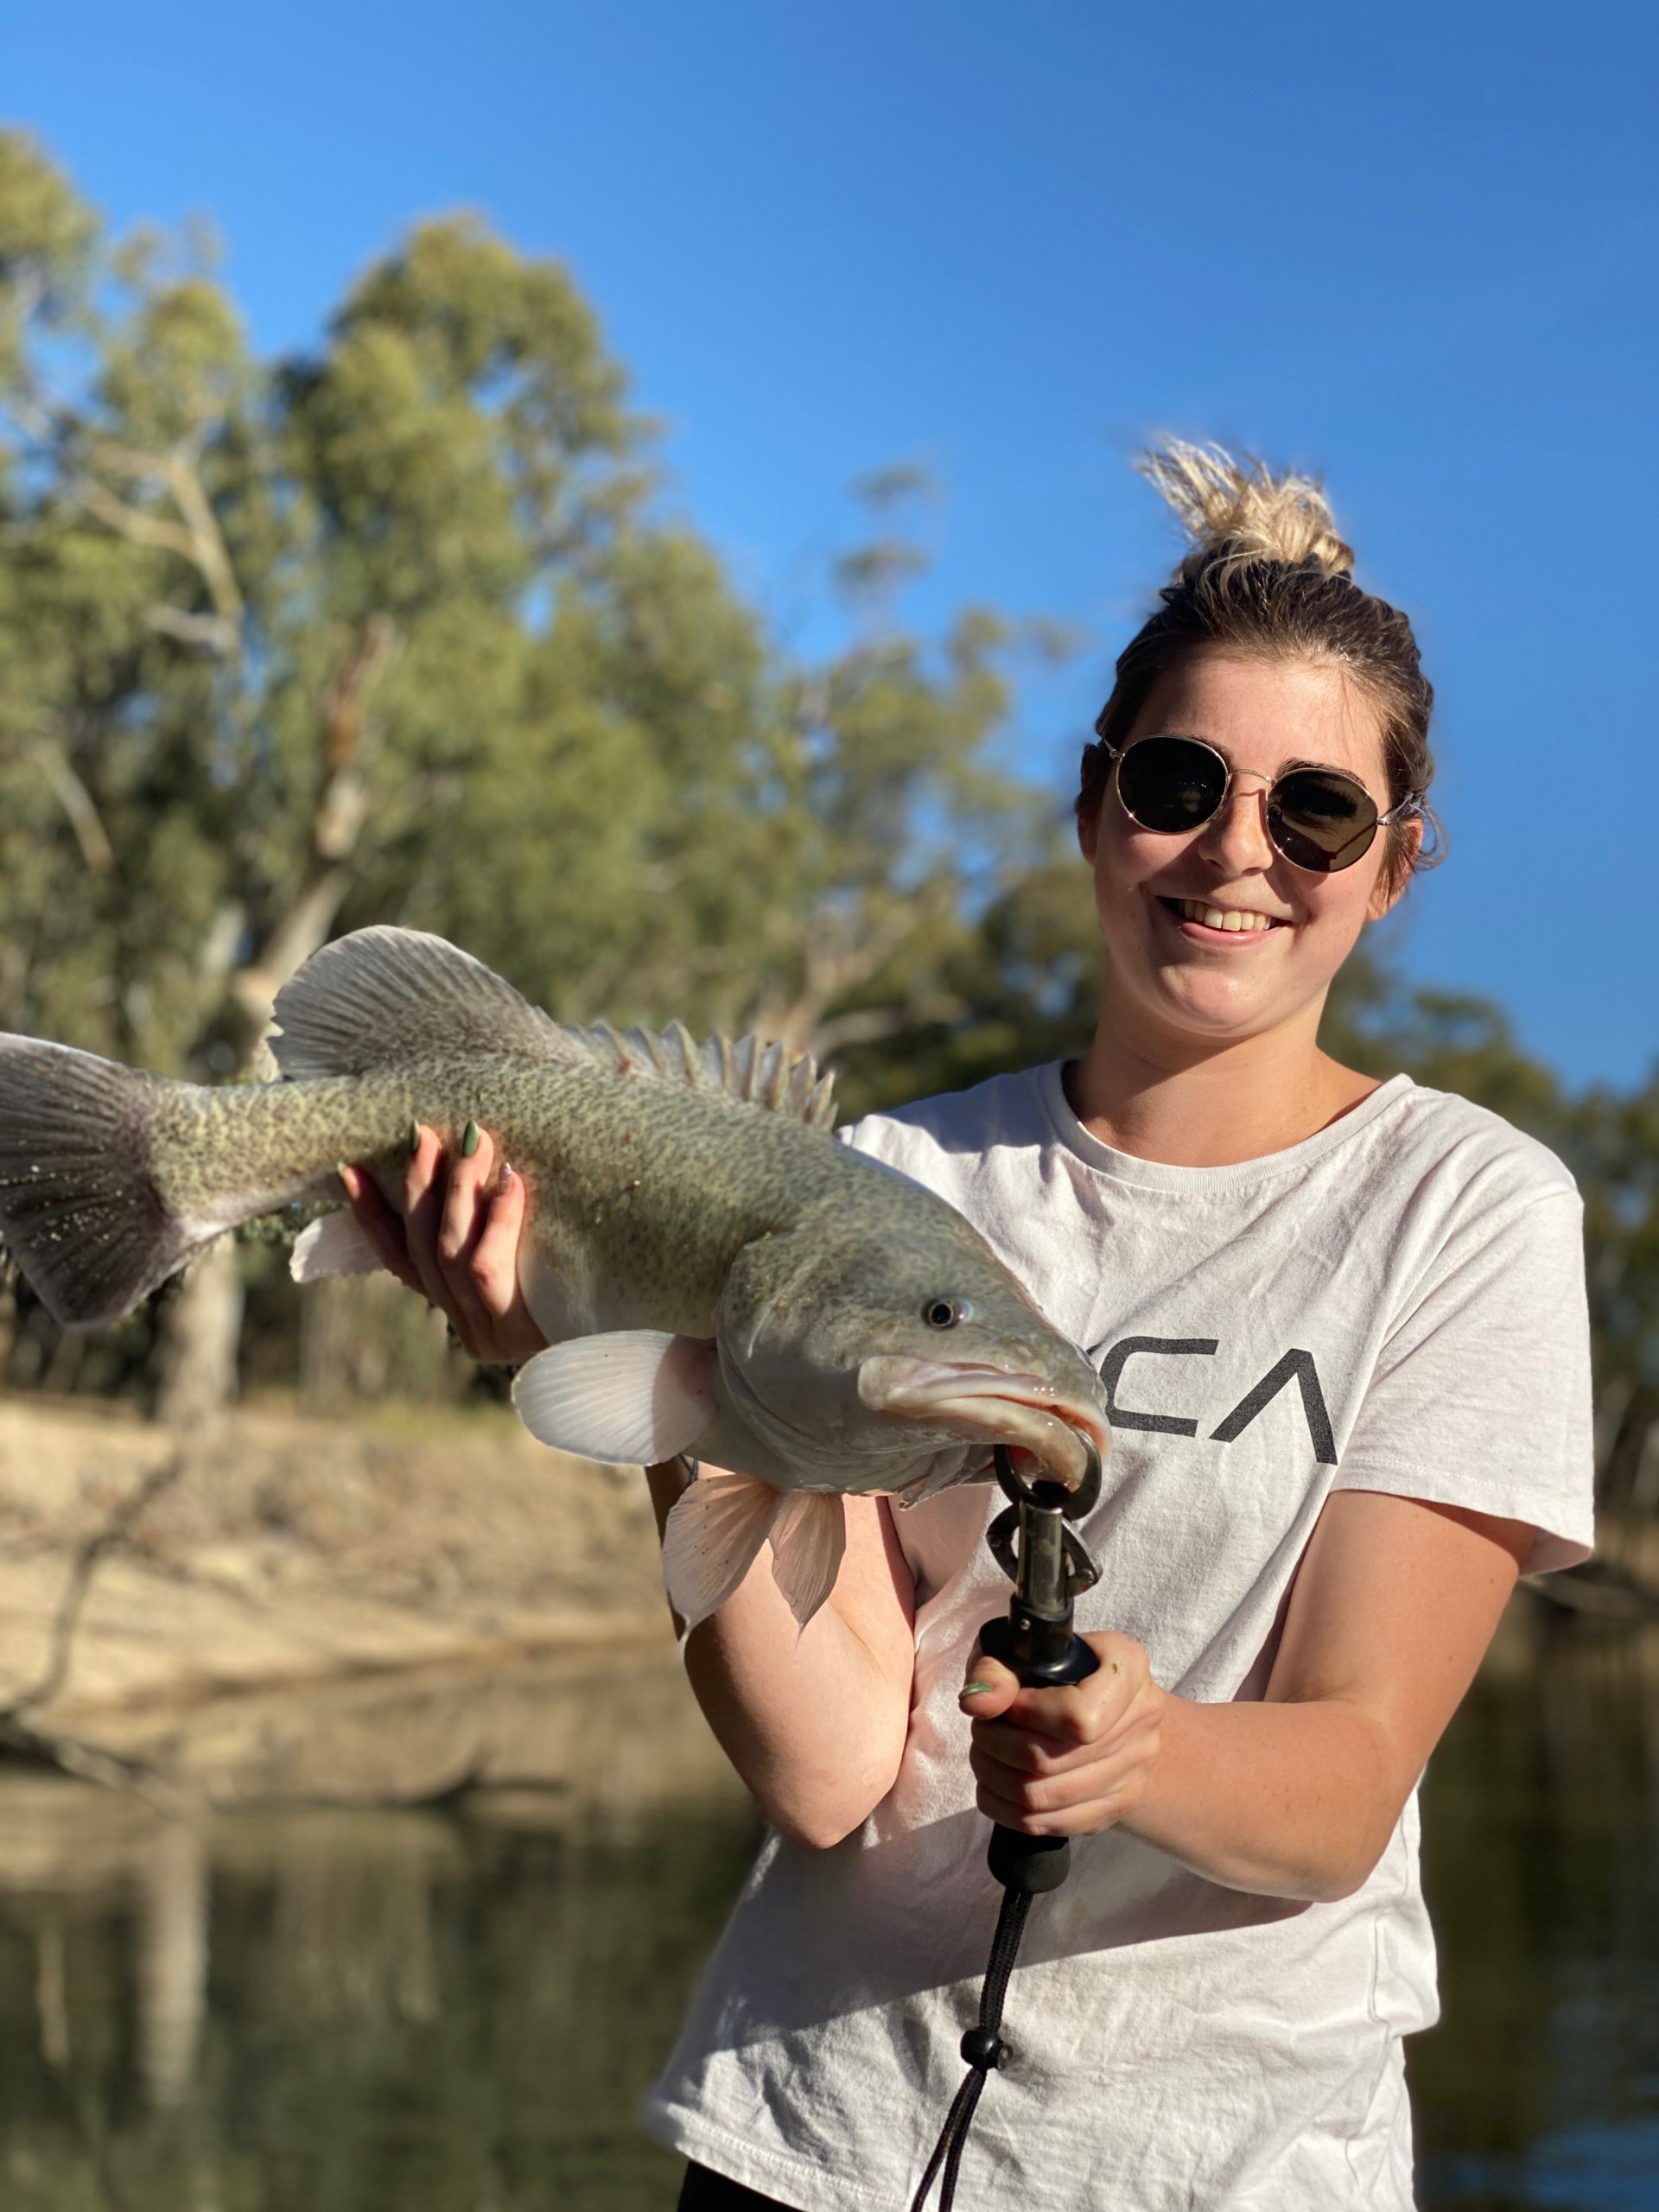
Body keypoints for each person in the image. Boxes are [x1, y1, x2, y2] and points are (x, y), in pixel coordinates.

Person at [343, 442, 1594, 2212]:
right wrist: (650, 1348)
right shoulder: (882, 1172)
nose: (1237, 850)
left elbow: (1344, 1781)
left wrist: (1140, 1751)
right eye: (1179, 782)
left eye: (1317, 809)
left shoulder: (1465, 1208)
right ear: (1095, 806)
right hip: (808, 2138)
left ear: (1393, 865)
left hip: (1231, 2168)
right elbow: (837, 1770)